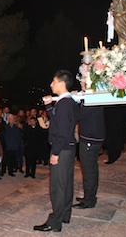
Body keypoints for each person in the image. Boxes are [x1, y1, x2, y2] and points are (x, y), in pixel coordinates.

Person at [34, 70, 80, 233]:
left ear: (61, 83)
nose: (51, 84)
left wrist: (55, 152)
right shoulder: (67, 102)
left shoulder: (64, 103)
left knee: (57, 187)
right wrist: (48, 106)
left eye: (53, 82)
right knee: (66, 184)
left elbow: (62, 131)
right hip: (68, 148)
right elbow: (59, 121)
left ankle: (54, 222)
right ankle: (64, 215)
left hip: (62, 148)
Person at [72, 100, 105, 209]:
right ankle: (89, 196)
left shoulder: (92, 99)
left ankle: (89, 200)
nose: (81, 84)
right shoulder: (92, 98)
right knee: (91, 169)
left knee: (88, 171)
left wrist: (75, 102)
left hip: (90, 139)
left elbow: (77, 115)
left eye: (83, 82)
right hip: (93, 137)